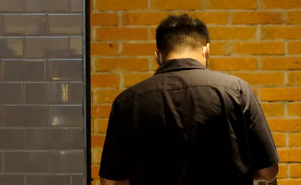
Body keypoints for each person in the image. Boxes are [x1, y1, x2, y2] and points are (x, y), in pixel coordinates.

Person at [98, 14, 279, 185]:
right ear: (206, 50)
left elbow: (111, 181)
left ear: (157, 56)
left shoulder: (127, 102)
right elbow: (268, 171)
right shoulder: (237, 91)